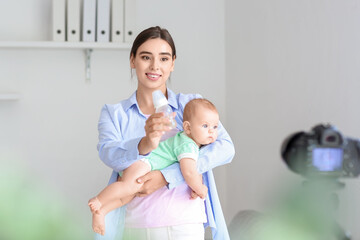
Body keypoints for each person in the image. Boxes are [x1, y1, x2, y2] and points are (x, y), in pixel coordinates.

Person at [94, 26, 235, 240]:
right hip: (137, 229)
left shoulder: (191, 105)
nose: (154, 66)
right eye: (145, 57)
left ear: (173, 64)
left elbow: (225, 148)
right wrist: (145, 143)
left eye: (164, 58)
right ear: (133, 60)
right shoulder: (115, 114)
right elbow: (108, 153)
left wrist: (167, 176)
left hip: (186, 227)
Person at [89, 98, 220, 236]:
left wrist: (195, 186)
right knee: (127, 187)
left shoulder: (188, 142)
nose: (211, 131)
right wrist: (200, 189)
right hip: (145, 162)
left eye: (215, 127)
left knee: (126, 197)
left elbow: (196, 170)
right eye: (205, 126)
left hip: (147, 166)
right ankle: (99, 200)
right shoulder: (188, 145)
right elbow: (189, 172)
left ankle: (102, 211)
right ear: (187, 127)